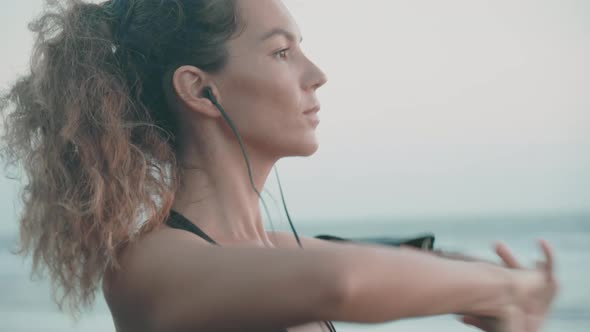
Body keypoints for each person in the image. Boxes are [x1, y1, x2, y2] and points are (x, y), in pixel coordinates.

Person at [0, 0, 558, 331]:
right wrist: (498, 289)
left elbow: (390, 257)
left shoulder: (280, 250)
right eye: (282, 52)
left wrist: (508, 290)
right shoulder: (147, 265)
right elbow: (345, 282)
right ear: (199, 89)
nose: (317, 74)